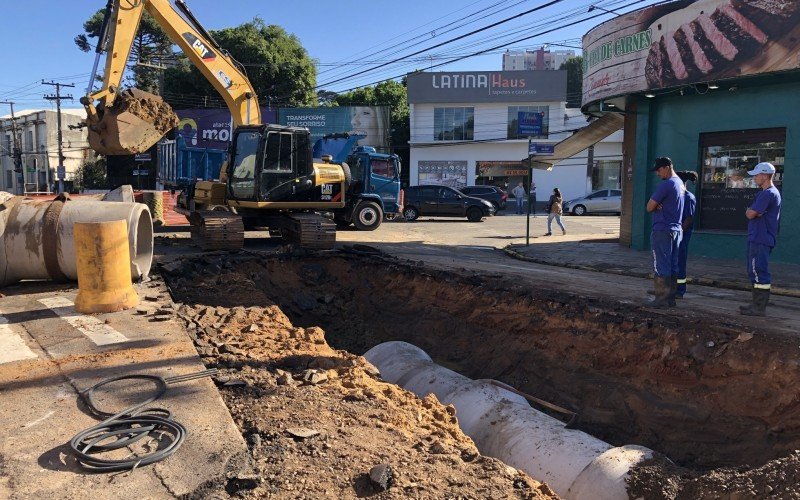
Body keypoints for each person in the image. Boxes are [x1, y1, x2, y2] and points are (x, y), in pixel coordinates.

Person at [740, 162, 781, 316]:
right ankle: (756, 305)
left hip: (761, 238)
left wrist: (752, 212)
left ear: (764, 175)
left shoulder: (768, 194)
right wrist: (752, 212)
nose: (755, 178)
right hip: (758, 237)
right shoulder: (764, 193)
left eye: (757, 175)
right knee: (754, 270)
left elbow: (750, 214)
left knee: (759, 270)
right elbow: (751, 212)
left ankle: (759, 307)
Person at [646, 157, 685, 308]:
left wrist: (656, 206)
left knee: (661, 264)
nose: (657, 173)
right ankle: (670, 299)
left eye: (659, 169)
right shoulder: (680, 184)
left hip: (662, 229)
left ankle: (661, 299)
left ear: (667, 167)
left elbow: (649, 207)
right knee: (672, 264)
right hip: (676, 230)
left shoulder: (667, 184)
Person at [675, 171, 698, 298]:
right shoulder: (676, 196)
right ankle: (668, 288)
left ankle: (679, 290)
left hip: (681, 235)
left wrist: (679, 233)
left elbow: (689, 219)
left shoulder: (689, 197)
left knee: (680, 261)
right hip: (674, 234)